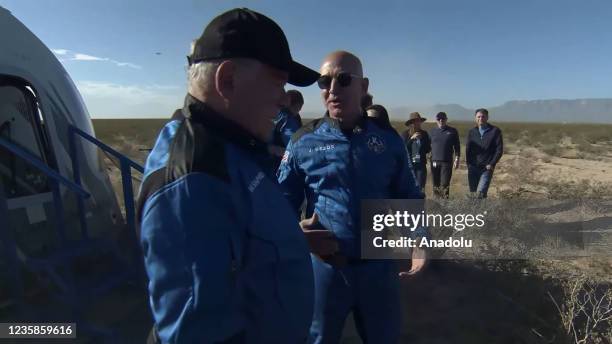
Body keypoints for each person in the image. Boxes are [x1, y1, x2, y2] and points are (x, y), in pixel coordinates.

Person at [136, 8, 322, 343]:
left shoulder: (231, 145)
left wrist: (290, 239)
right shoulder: (192, 184)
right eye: (278, 83)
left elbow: (236, 242)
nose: (283, 101)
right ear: (228, 81)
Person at [278, 51, 427, 344]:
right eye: (324, 82)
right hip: (326, 269)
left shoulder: (387, 140)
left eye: (344, 80)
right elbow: (280, 202)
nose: (332, 90)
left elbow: (407, 195)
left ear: (364, 86)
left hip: (379, 270)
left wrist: (418, 240)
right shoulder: (302, 141)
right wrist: (294, 233)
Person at [465, 108, 503, 198]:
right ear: (475, 118)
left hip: (486, 168)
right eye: (478, 117)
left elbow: (499, 150)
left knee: (480, 193)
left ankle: (480, 210)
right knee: (473, 193)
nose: (480, 118)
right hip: (473, 167)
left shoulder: (495, 131)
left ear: (487, 117)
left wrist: (492, 163)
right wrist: (469, 163)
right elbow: (468, 149)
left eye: (483, 116)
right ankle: (478, 211)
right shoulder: (472, 132)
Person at [269, 90, 304, 169]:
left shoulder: (273, 113)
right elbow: (294, 143)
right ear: (296, 105)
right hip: (279, 163)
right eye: (300, 107)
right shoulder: (287, 119)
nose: (299, 110)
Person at [429, 112, 460, 198]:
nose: (441, 120)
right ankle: (436, 204)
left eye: (443, 119)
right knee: (435, 185)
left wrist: (457, 159)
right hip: (434, 162)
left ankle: (445, 205)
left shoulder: (452, 131)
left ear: (446, 119)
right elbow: (427, 146)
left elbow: (457, 146)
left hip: (447, 162)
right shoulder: (432, 132)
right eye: (439, 119)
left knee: (445, 184)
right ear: (436, 120)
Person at [402, 112, 431, 192]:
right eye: (415, 121)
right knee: (409, 188)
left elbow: (428, 149)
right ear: (411, 123)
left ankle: (420, 204)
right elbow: (403, 149)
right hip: (409, 166)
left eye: (419, 121)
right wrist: (412, 139)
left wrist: (423, 141)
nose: (418, 123)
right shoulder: (405, 134)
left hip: (420, 165)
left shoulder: (424, 134)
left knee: (421, 188)